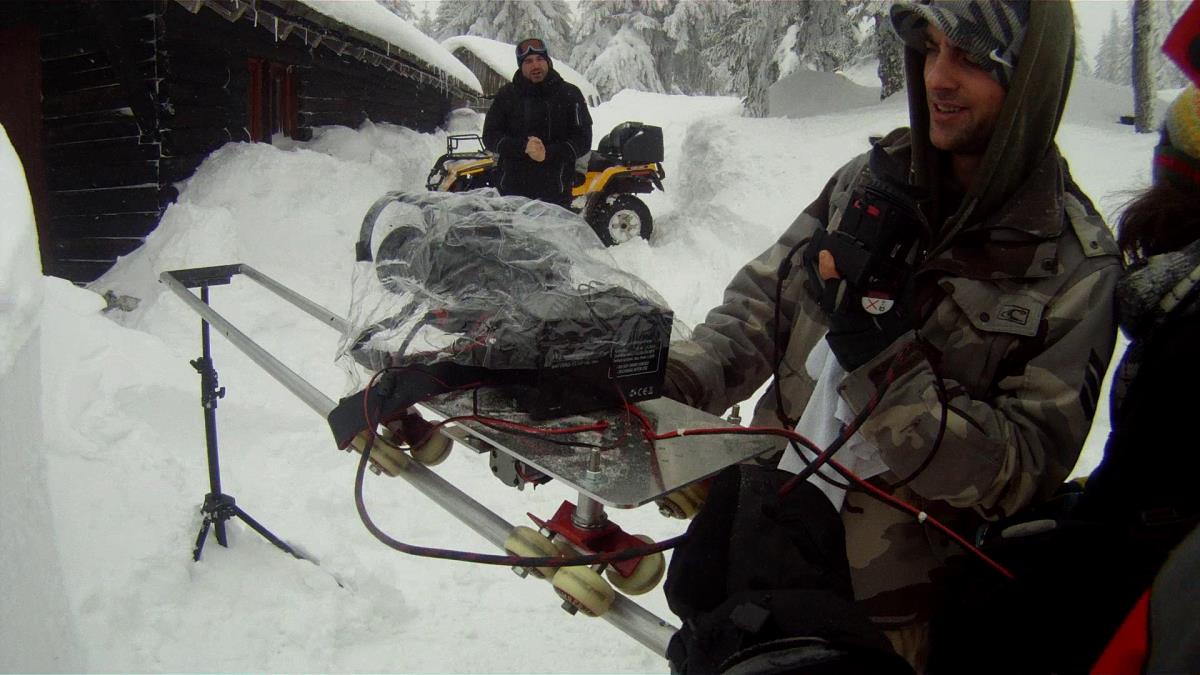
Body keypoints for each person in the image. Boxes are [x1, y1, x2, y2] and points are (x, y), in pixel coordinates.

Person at [661, 1, 1121, 672]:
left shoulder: (1074, 267)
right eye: (930, 49)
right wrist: (663, 382)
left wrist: (885, 364)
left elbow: (1020, 469)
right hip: (759, 556)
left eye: (969, 58)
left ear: (1028, 80)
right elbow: (756, 313)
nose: (937, 76)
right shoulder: (867, 182)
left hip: (889, 629)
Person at [482, 38, 592, 208]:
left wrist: (547, 152)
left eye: (540, 59)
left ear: (547, 61)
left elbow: (583, 140)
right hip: (511, 195)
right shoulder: (506, 95)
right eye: (528, 61)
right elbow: (490, 136)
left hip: (556, 195)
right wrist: (522, 147)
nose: (535, 65)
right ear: (521, 65)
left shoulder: (570, 94)